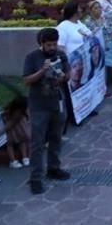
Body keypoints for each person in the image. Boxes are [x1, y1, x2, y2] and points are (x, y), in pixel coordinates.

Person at [22, 27, 71, 195]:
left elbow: (68, 73)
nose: (52, 48)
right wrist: (42, 71)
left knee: (56, 138)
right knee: (37, 143)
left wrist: (64, 77)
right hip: (39, 106)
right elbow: (27, 80)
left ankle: (53, 168)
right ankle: (36, 178)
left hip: (57, 103)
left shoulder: (61, 54)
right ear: (41, 43)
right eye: (49, 45)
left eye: (54, 44)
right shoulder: (32, 57)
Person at [2, 96, 31, 169]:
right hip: (12, 128)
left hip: (18, 127)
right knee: (10, 143)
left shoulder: (20, 110)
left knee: (23, 141)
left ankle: (24, 157)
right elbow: (10, 120)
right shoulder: (15, 110)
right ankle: (13, 161)